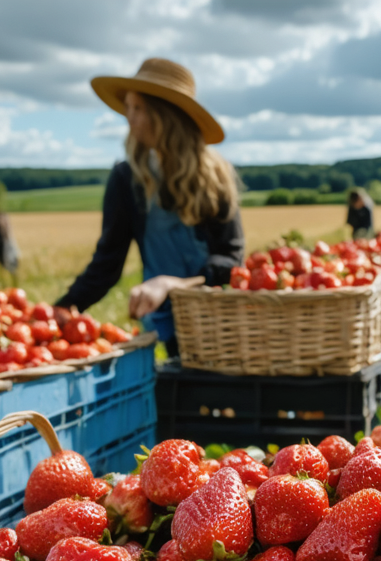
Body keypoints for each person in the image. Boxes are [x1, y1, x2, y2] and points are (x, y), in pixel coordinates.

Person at [58, 58, 243, 355]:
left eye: (137, 108)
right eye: (127, 108)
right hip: (166, 323)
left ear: (164, 115)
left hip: (220, 323)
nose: (128, 117)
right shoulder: (127, 179)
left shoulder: (215, 177)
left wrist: (176, 283)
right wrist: (63, 309)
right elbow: (108, 262)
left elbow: (232, 261)